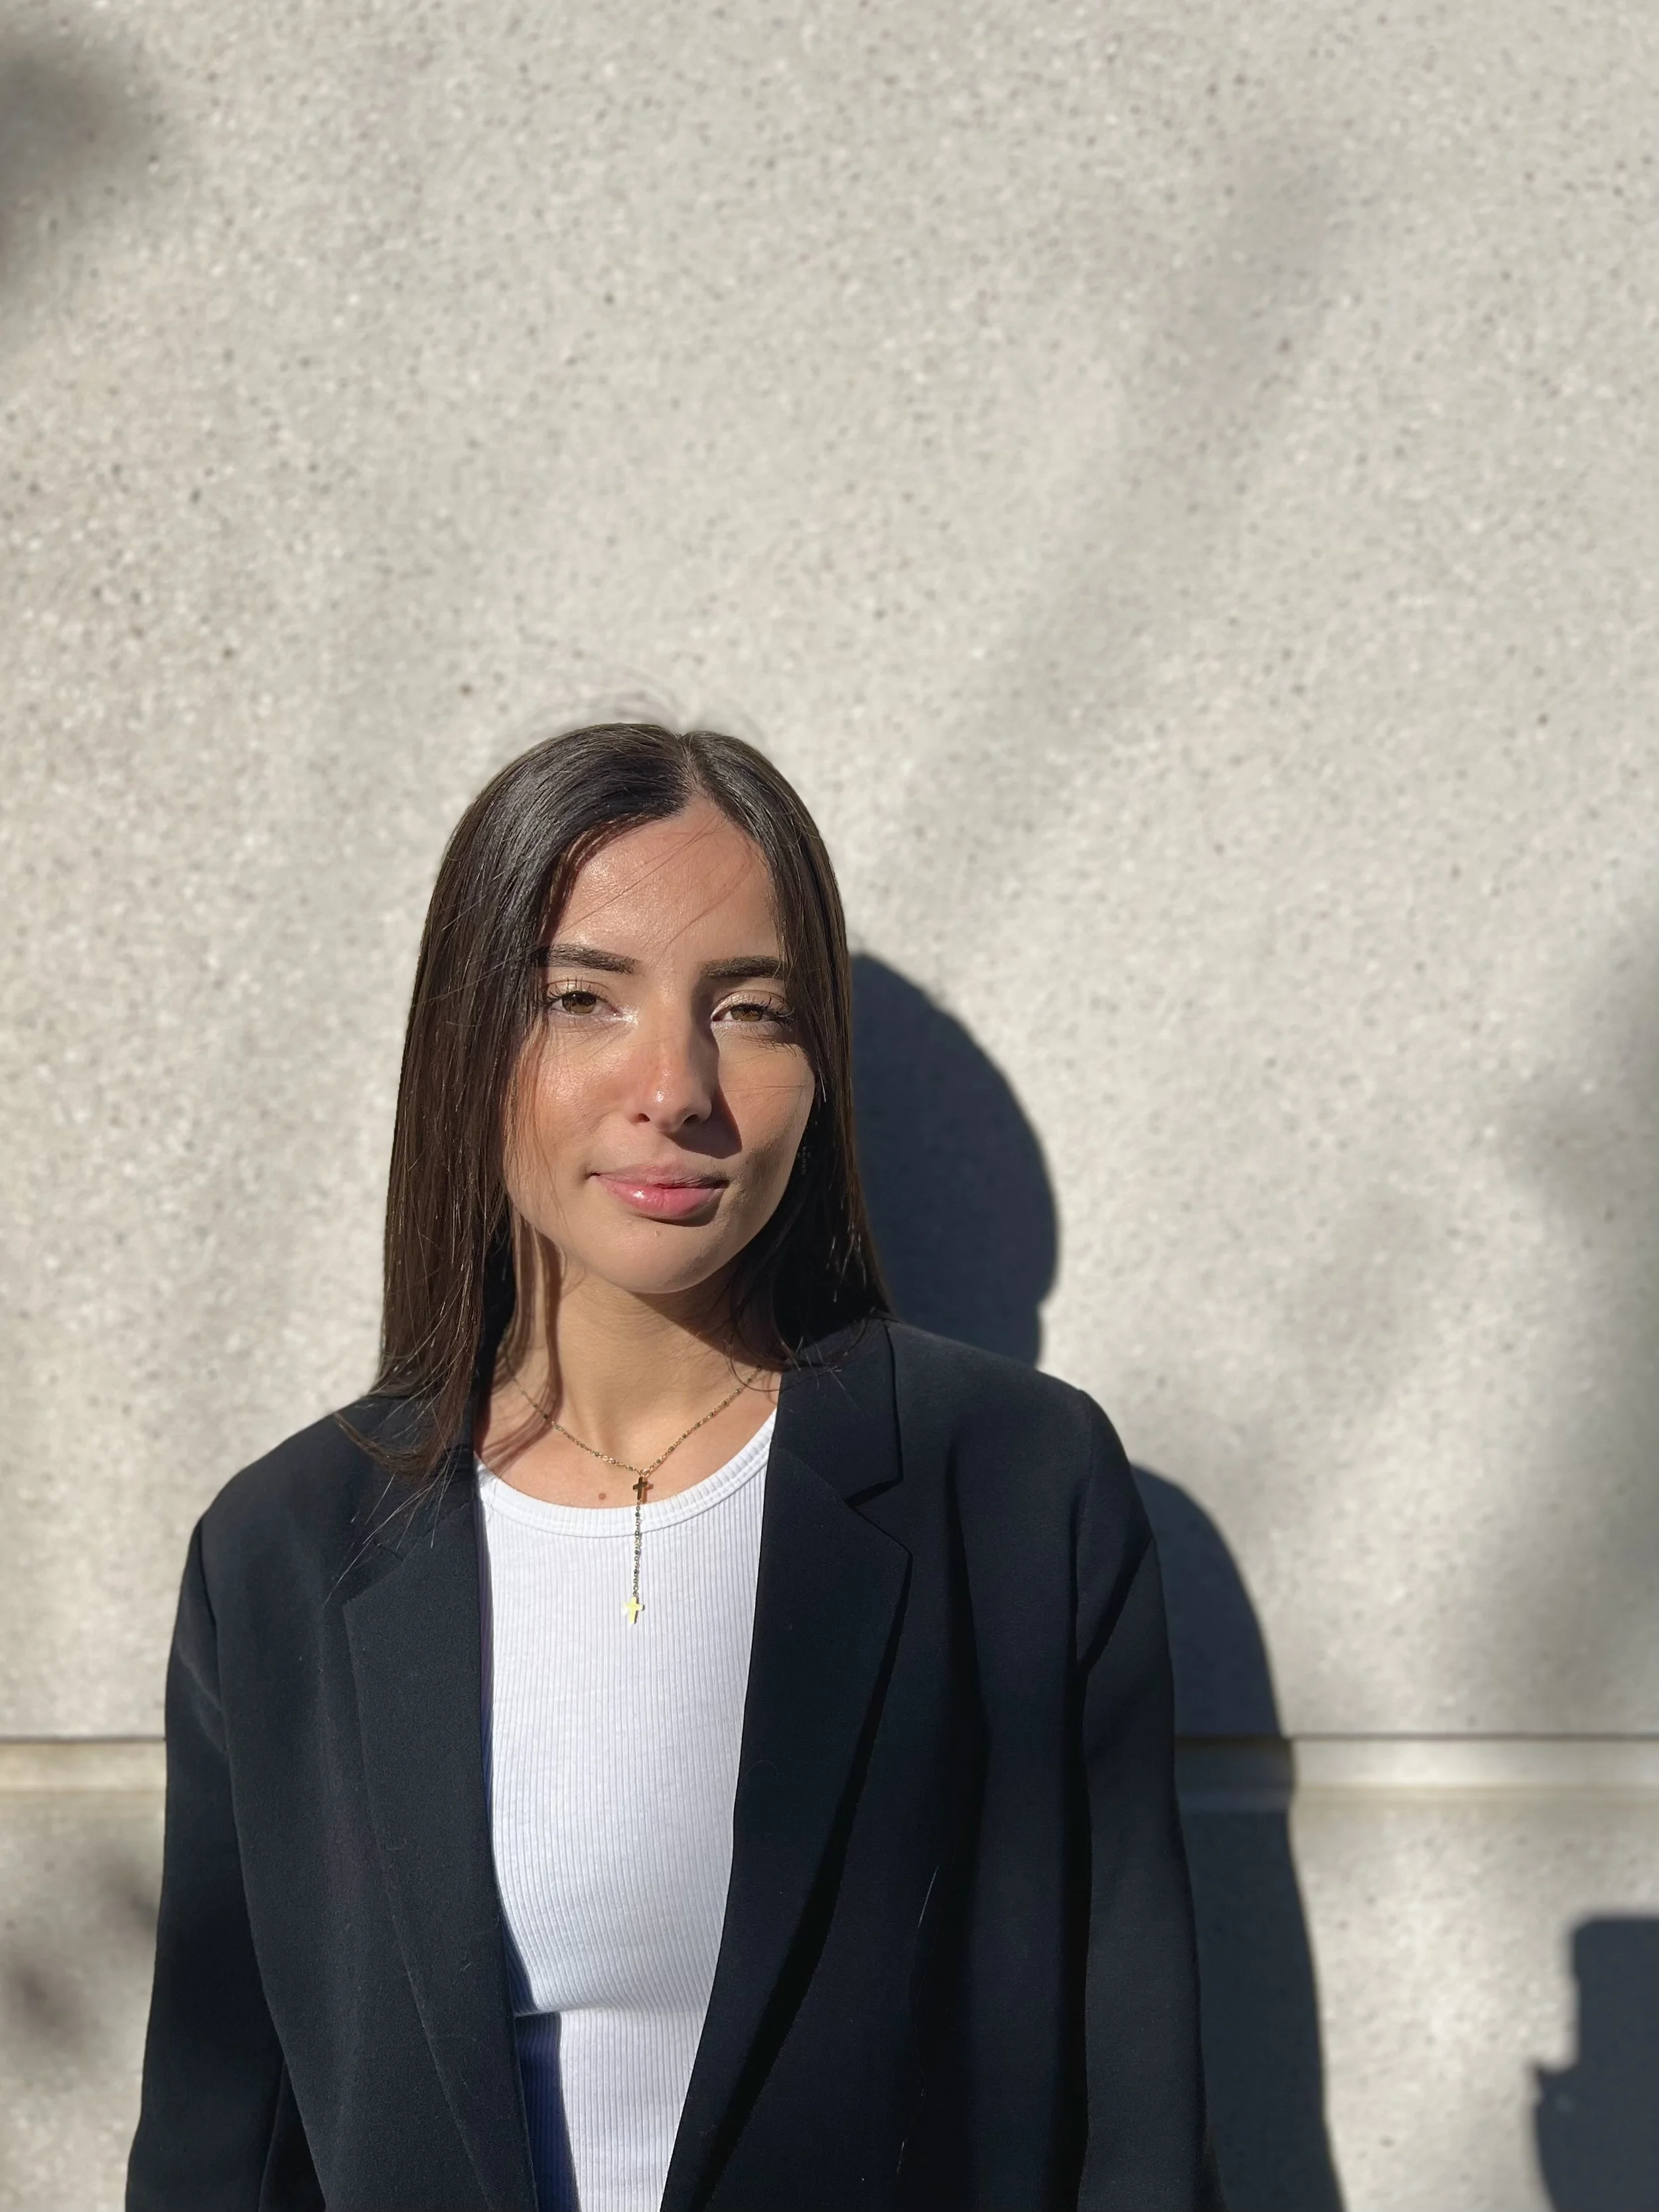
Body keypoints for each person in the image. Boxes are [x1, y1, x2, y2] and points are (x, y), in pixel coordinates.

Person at [127, 721, 1217, 2212]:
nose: (677, 1086)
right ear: (465, 1043)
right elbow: (216, 2145)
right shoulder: (286, 1551)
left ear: (817, 1070)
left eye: (750, 1010)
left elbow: (1136, 2123)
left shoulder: (1018, 1493)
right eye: (583, 997)